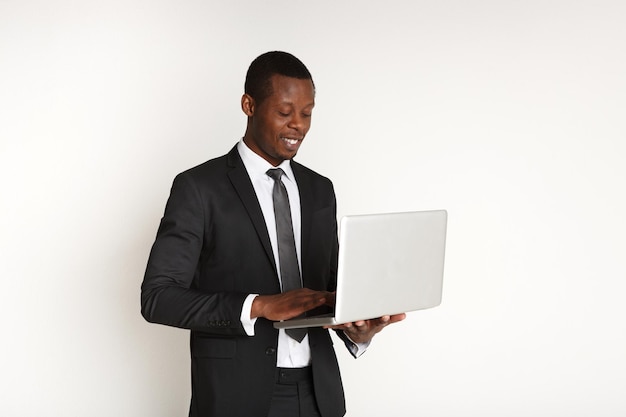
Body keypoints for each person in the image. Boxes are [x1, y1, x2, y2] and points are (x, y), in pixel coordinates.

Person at [141, 51, 405, 417]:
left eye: (307, 113)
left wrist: (358, 330)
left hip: (319, 395)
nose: (298, 124)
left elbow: (329, 292)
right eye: (285, 112)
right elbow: (158, 297)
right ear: (249, 105)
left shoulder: (320, 190)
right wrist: (260, 305)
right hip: (235, 397)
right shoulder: (199, 188)